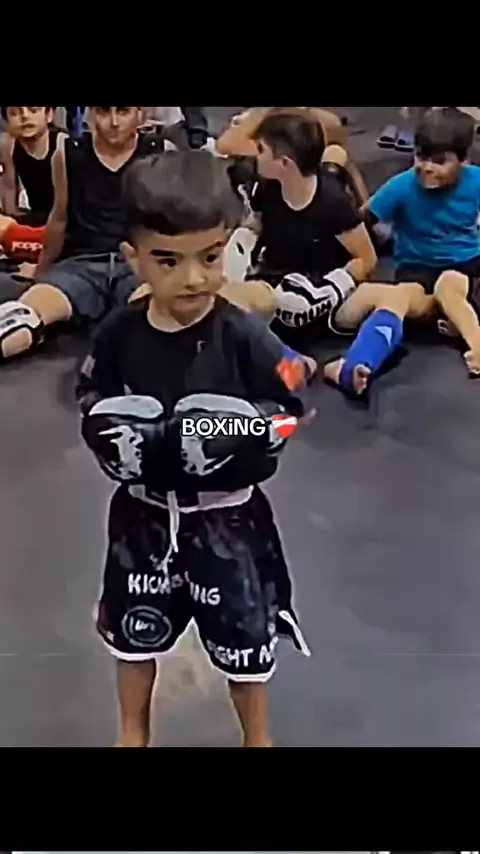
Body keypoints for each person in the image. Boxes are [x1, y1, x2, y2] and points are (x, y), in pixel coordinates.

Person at [76, 150, 311, 748]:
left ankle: (258, 739)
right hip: (142, 518)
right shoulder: (118, 333)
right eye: (168, 260)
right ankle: (132, 735)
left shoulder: (244, 333)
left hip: (228, 521)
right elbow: (90, 394)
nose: (194, 279)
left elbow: (294, 399)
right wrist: (110, 433)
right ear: (134, 257)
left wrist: (250, 434)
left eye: (210, 257)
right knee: (133, 641)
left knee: (245, 646)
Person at [325, 107, 480, 394]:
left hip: (466, 264)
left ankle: (477, 346)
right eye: (421, 157)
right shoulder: (402, 186)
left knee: (448, 286)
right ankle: (360, 363)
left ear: (463, 161)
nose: (427, 167)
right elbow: (359, 221)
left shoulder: (476, 181)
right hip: (416, 269)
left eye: (439, 161)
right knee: (399, 298)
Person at [0, 106, 166, 361]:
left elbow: (173, 225)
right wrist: (42, 272)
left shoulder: (159, 152)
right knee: (20, 320)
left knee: (154, 326)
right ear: (91, 114)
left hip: (138, 266)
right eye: (104, 112)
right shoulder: (68, 152)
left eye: (123, 112)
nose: (113, 122)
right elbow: (59, 219)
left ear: (140, 114)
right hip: (81, 265)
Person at [244, 109, 377, 361]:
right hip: (278, 283)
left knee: (375, 301)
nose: (255, 156)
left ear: (285, 164)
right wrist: (238, 250)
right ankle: (289, 359)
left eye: (261, 150)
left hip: (322, 288)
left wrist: (330, 288)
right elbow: (255, 227)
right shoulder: (265, 189)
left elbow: (366, 259)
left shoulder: (333, 203)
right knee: (239, 303)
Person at [217, 105, 370, 207]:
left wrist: (366, 211)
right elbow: (225, 146)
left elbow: (350, 168)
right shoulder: (259, 123)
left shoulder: (326, 123)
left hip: (311, 199)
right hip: (271, 200)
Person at [0, 106, 66, 265]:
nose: (24, 117)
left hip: (65, 219)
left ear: (49, 115)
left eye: (33, 110)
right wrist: (10, 220)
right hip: (37, 215)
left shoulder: (63, 143)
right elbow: (9, 187)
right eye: (14, 113)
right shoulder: (8, 146)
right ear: (7, 122)